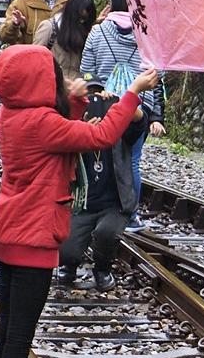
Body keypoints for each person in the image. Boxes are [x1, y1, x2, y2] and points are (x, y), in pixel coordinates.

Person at [0, 44, 157, 358]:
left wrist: (75, 103)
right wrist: (132, 92)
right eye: (53, 73)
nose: (60, 78)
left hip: (11, 231)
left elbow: (64, 139)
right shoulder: (43, 122)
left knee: (9, 331)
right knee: (18, 338)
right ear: (36, 81)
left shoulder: (13, 115)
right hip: (33, 236)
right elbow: (99, 136)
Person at [80, 0, 162, 232]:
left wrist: (97, 89)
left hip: (104, 106)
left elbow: (86, 72)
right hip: (138, 107)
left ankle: (101, 210)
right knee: (132, 160)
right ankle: (131, 214)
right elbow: (159, 74)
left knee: (100, 158)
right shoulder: (148, 33)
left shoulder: (98, 32)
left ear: (112, 2)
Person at [57, 81, 147, 291]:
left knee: (106, 233)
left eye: (98, 97)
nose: (95, 103)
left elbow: (140, 122)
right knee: (66, 250)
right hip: (81, 204)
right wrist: (82, 124)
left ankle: (103, 269)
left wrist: (119, 105)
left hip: (113, 205)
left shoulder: (119, 132)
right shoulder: (72, 129)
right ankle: (68, 266)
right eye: (89, 98)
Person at [33, 0, 96, 81]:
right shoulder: (49, 27)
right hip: (54, 85)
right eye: (80, 18)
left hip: (77, 86)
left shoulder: (85, 30)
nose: (82, 21)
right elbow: (35, 59)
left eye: (86, 19)